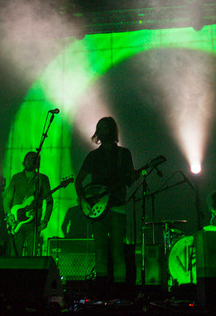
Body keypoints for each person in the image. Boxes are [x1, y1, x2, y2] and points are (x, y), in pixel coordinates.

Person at [75, 117, 139, 297]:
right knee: (100, 249)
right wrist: (83, 199)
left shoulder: (124, 154)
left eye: (105, 128)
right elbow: (78, 180)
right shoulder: (93, 156)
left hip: (117, 204)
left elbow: (130, 179)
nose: (102, 132)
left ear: (112, 131)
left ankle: (120, 293)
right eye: (99, 129)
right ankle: (102, 291)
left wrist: (135, 176)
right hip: (97, 208)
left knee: (118, 250)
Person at [2, 151, 54, 256]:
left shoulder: (43, 179)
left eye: (33, 159)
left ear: (37, 163)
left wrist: (46, 220)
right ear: (24, 161)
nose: (30, 161)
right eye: (28, 158)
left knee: (32, 257)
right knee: (14, 256)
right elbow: (7, 198)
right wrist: (9, 214)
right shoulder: (16, 178)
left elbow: (49, 201)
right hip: (16, 222)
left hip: (33, 223)